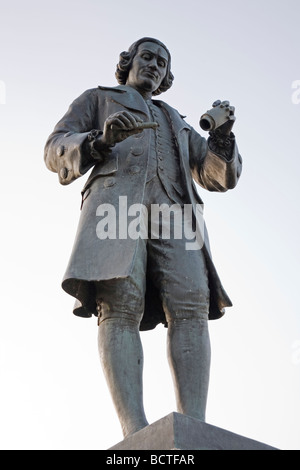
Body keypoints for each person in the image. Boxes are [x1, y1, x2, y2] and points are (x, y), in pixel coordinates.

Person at [44, 37, 242, 438]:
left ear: (167, 76)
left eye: (162, 63)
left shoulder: (177, 120)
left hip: (176, 214)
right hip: (115, 208)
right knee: (120, 305)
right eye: (146, 57)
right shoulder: (98, 99)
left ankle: (194, 425)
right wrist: (98, 141)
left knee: (192, 303)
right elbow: (54, 148)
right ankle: (134, 427)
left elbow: (218, 174)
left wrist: (222, 135)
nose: (154, 65)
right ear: (128, 63)